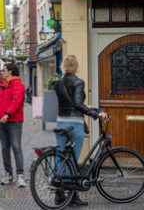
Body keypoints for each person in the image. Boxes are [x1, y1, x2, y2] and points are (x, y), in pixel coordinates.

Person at [53, 55, 108, 206]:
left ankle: (59, 195)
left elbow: (65, 103)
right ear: (76, 66)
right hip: (74, 124)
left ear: (64, 66)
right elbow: (77, 104)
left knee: (61, 158)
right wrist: (95, 114)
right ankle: (72, 196)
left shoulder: (57, 83)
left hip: (60, 122)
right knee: (72, 160)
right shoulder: (78, 82)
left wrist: (90, 108)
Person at [0, 63, 27, 188]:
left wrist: (7, 114)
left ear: (10, 72)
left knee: (16, 146)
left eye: (3, 70)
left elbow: (17, 100)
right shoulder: (0, 84)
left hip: (14, 121)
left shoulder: (17, 84)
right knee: (5, 148)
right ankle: (8, 174)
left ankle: (20, 175)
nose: (1, 72)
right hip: (2, 121)